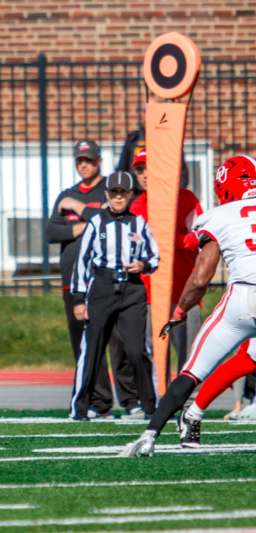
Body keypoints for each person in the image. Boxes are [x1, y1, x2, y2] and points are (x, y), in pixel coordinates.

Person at [121, 155, 256, 457]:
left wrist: (180, 310)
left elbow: (200, 277)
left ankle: (151, 433)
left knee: (194, 369)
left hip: (240, 299)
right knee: (248, 358)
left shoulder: (219, 216)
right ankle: (191, 414)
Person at [47, 140, 139, 418]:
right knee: (86, 345)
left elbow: (112, 220)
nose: (83, 164)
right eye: (79, 160)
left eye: (88, 159)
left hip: (106, 280)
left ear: (99, 161)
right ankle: (100, 403)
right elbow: (52, 232)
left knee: (119, 342)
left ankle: (131, 399)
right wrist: (85, 226)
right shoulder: (66, 193)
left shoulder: (109, 190)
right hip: (74, 281)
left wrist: (78, 210)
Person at [70, 171, 159, 421]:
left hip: (131, 289)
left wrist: (143, 265)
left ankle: (149, 405)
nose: (118, 198)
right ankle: (80, 407)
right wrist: (79, 298)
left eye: (123, 193)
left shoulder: (139, 223)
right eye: (114, 193)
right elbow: (82, 261)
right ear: (107, 195)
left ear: (131, 195)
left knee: (135, 349)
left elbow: (155, 256)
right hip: (102, 287)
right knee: (93, 348)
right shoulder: (96, 224)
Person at [128, 149, 203, 375]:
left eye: (148, 168)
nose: (144, 175)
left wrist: (174, 239)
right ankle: (157, 400)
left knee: (189, 353)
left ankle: (188, 403)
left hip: (184, 293)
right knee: (153, 351)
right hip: (151, 294)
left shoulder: (186, 199)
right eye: (139, 170)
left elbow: (201, 238)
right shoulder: (135, 207)